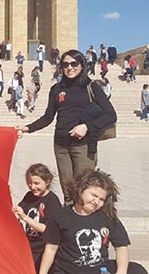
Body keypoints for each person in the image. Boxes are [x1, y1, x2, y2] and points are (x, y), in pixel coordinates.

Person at [15, 50, 117, 205]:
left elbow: (111, 115)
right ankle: (69, 218)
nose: (70, 67)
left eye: (74, 64)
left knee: (84, 188)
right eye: (65, 64)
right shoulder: (56, 89)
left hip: (83, 145)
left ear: (82, 65)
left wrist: (86, 127)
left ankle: (86, 217)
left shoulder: (91, 86)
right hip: (61, 145)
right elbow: (48, 117)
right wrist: (27, 128)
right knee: (67, 188)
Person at [36, 170, 149, 274]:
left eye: (101, 199)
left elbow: (121, 246)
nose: (96, 201)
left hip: (99, 272)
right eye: (94, 195)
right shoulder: (61, 216)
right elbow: (50, 249)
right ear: (80, 190)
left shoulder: (107, 216)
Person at [12, 163, 61, 274]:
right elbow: (19, 211)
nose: (32, 187)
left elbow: (48, 230)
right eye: (29, 183)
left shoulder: (52, 201)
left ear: (47, 181)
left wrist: (25, 217)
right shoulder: (29, 196)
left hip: (43, 249)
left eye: (36, 183)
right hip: (29, 246)